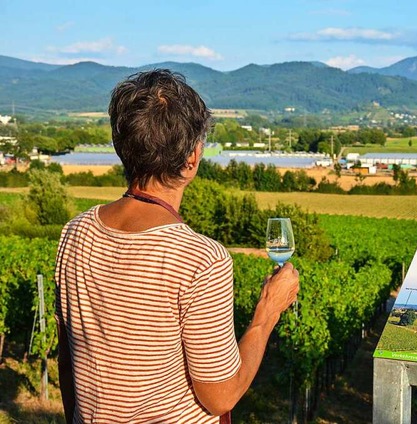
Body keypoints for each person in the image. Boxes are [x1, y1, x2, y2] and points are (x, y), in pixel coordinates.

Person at [55, 69, 299, 423]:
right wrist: (268, 311)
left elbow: (69, 364)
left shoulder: (75, 233)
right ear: (192, 159)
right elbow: (222, 396)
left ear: (123, 147)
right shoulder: (200, 260)